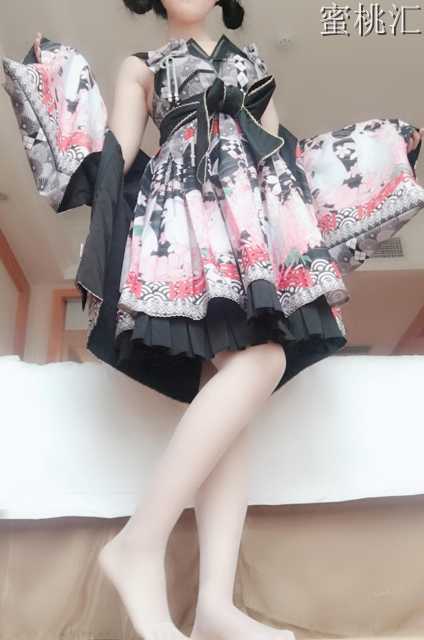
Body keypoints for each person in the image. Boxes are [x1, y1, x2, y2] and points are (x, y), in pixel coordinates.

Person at [4, 2, 422, 638]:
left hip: (248, 223)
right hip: (182, 224)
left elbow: (288, 162)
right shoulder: (142, 66)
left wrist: (376, 157)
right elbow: (114, 160)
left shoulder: (251, 63)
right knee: (261, 360)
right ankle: (141, 545)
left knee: (240, 371)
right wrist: (55, 84)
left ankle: (213, 606)